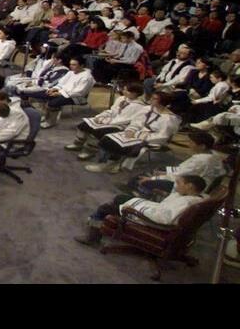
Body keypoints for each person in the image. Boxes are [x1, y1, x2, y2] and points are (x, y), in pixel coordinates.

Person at [74, 174, 207, 246]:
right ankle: (105, 223)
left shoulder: (186, 202)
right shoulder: (195, 198)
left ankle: (93, 237)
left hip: (152, 220)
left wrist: (134, 210)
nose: (176, 186)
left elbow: (164, 219)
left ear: (190, 186)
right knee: (120, 198)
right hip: (154, 210)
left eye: (179, 183)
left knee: (105, 208)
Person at [84, 91, 181, 174]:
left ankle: (110, 165)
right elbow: (137, 121)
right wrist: (131, 129)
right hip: (137, 132)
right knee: (108, 138)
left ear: (162, 102)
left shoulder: (169, 119)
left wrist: (138, 135)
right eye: (152, 97)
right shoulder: (147, 109)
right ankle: (107, 162)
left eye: (154, 98)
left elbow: (163, 136)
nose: (151, 99)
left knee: (120, 144)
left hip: (151, 139)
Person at [117, 132, 225, 200]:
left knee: (144, 179)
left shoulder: (201, 160)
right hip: (191, 179)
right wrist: (164, 172)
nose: (189, 144)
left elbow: (180, 176)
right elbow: (183, 171)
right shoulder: (213, 155)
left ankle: (139, 195)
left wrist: (154, 178)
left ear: (202, 146)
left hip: (188, 185)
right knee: (158, 170)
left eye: (191, 142)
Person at [65, 82, 148, 159]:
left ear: (134, 93)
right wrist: (101, 116)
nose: (123, 91)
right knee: (84, 124)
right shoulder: (121, 99)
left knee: (97, 131)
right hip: (110, 120)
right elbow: (112, 110)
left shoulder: (139, 106)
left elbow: (126, 120)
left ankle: (90, 151)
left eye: (127, 90)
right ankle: (78, 144)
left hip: (120, 125)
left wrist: (105, 121)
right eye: (124, 89)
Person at [20, 57, 94, 128]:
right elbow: (61, 83)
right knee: (42, 93)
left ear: (82, 65)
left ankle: (51, 121)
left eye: (74, 65)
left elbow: (79, 92)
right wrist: (54, 89)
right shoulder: (71, 72)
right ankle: (46, 116)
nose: (71, 66)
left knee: (53, 103)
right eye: (70, 64)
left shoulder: (87, 77)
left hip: (75, 97)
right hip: (62, 91)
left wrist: (59, 93)